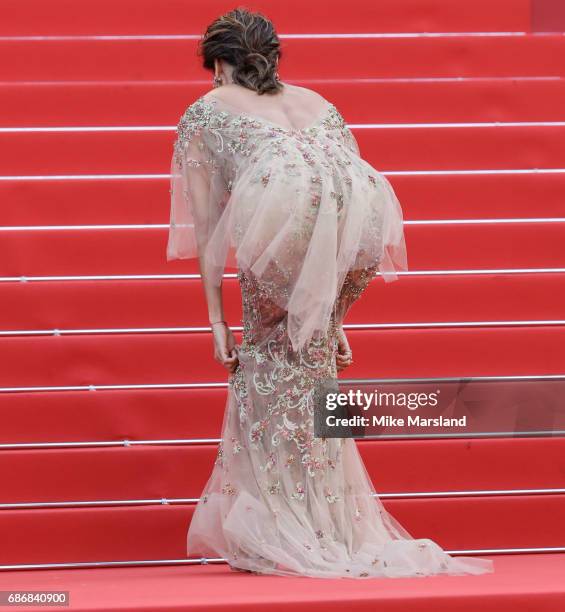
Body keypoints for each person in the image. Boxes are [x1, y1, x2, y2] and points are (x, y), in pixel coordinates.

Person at [166, 7, 494, 579]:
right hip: (358, 226)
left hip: (277, 234)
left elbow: (207, 229)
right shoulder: (319, 103)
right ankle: (324, 523)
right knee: (311, 373)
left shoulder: (207, 112)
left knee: (264, 370)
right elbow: (340, 200)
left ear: (218, 63)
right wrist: (336, 313)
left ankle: (285, 525)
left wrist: (217, 320)